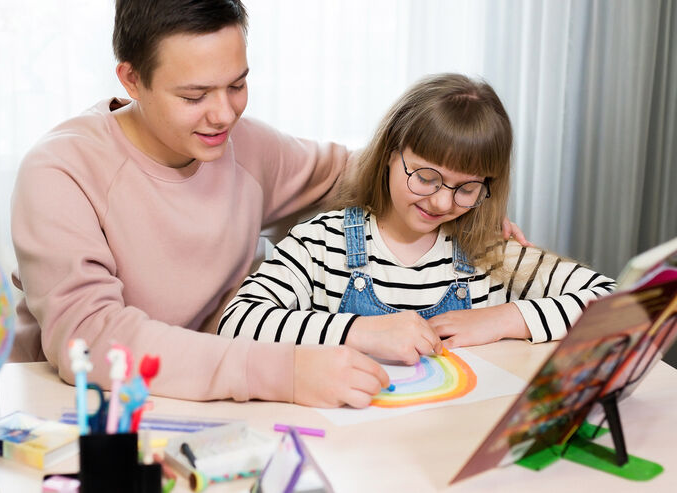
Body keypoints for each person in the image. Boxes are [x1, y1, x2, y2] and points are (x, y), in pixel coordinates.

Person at [10, 0, 526, 409]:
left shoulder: (245, 145)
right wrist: (286, 370)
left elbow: (360, 170)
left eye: (237, 84)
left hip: (216, 403)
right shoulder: (60, 172)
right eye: (194, 95)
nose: (223, 113)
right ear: (130, 80)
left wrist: (451, 195)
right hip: (84, 406)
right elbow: (94, 338)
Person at [218, 74, 616, 378]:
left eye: (466, 188)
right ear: (391, 154)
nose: (442, 202)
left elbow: (618, 301)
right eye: (426, 177)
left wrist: (503, 318)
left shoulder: (489, 251)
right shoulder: (322, 243)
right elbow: (236, 322)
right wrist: (361, 332)